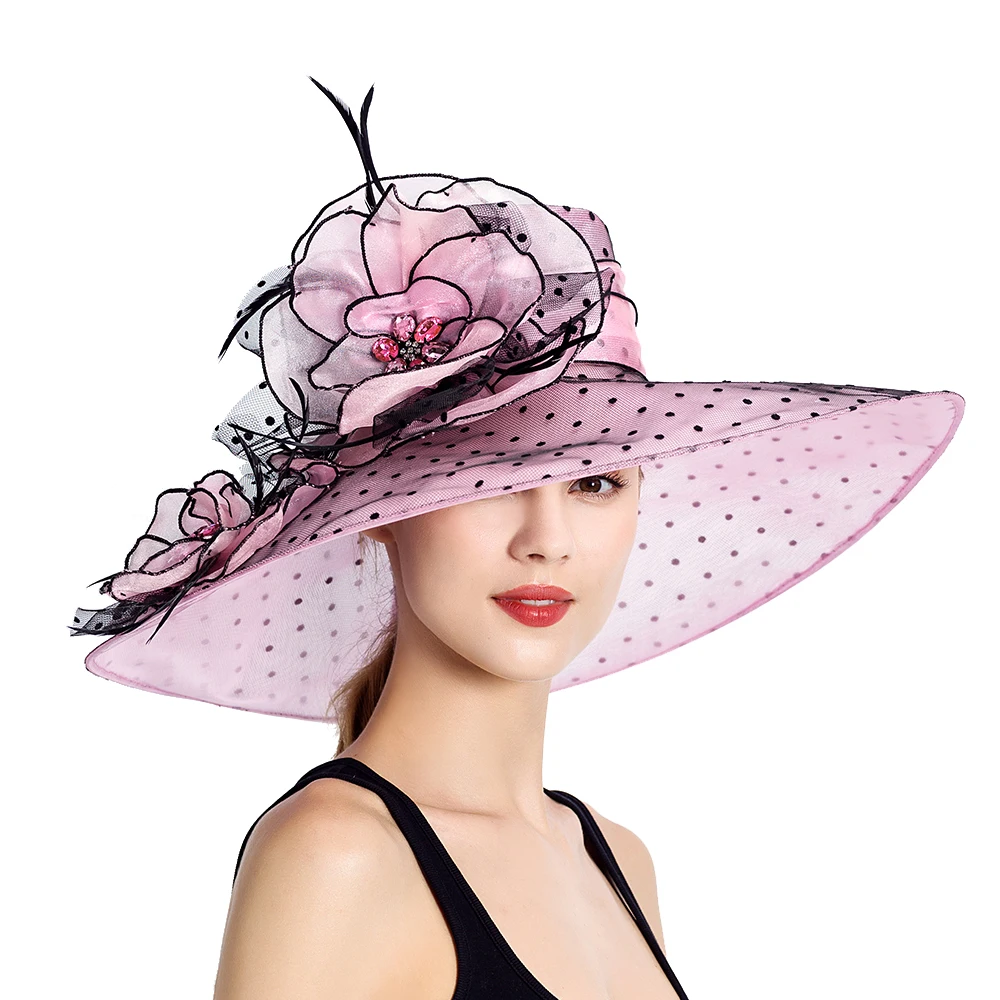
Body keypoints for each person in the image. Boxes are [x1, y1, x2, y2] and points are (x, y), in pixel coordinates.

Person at [69, 79, 964, 999]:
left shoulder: (616, 859)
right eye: (487, 485)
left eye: (594, 483)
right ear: (383, 510)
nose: (548, 540)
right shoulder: (337, 856)